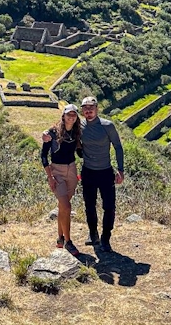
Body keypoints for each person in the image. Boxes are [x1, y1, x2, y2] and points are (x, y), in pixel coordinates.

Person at [44, 96, 124, 253]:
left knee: (109, 206)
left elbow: (118, 147)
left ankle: (106, 238)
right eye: (85, 108)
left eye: (91, 107)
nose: (88, 110)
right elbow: (61, 127)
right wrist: (46, 132)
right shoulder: (79, 126)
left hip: (106, 171)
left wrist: (120, 170)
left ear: (97, 108)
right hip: (88, 171)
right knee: (89, 206)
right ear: (82, 110)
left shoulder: (108, 126)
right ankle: (93, 234)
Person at [41, 103, 82, 256]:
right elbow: (43, 155)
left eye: (74, 114)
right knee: (67, 206)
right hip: (56, 171)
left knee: (63, 207)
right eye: (68, 114)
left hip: (72, 170)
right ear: (63, 115)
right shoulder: (53, 132)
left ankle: (59, 238)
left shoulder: (77, 132)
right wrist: (50, 177)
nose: (71, 117)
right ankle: (68, 242)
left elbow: (80, 153)